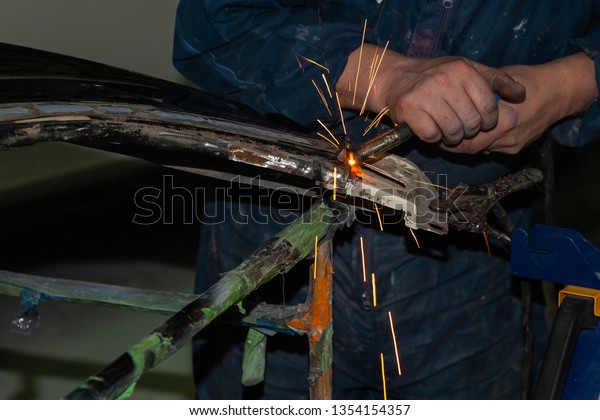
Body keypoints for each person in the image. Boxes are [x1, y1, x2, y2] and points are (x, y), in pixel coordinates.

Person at [172, 1, 600, 399]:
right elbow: (213, 21)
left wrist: (564, 86)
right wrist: (379, 75)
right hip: (272, 226)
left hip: (468, 261)